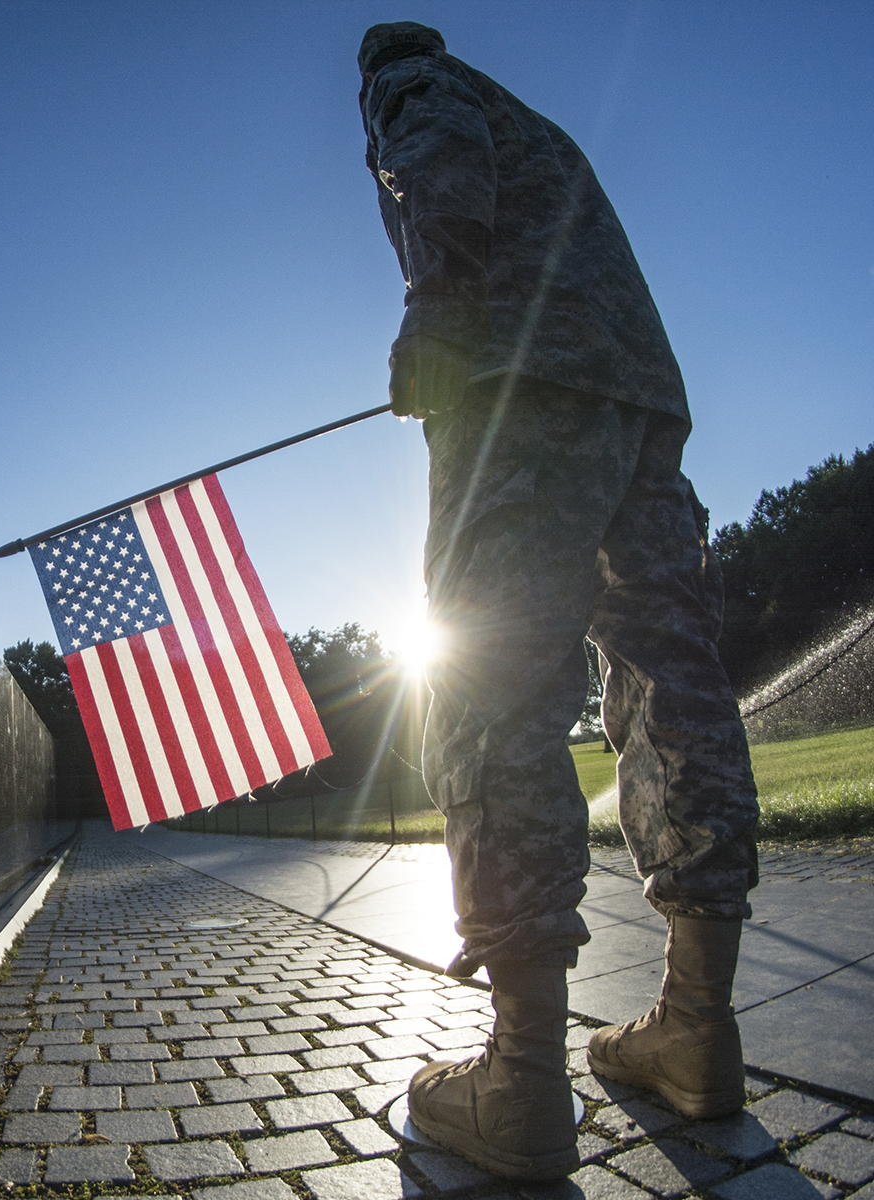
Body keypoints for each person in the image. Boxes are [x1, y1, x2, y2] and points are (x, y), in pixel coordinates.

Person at [357, 22, 760, 1180]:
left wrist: (435, 312)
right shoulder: (543, 126)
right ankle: (698, 1024)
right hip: (637, 403)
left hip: (519, 391)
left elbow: (433, 155)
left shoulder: (411, 78)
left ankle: (524, 1075)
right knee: (671, 679)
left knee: (489, 692)